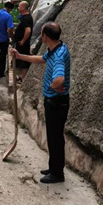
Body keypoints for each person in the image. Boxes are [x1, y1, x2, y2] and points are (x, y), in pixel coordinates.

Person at [11, 22, 70, 184]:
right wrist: (20, 56)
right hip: (55, 101)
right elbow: (40, 59)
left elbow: (59, 79)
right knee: (53, 137)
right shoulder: (56, 49)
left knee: (55, 138)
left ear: (44, 36)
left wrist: (52, 86)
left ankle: (57, 174)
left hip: (57, 102)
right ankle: (54, 168)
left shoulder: (57, 55)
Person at [13, 1, 34, 81]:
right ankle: (20, 76)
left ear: (23, 7)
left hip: (23, 44)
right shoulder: (23, 17)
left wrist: (23, 40)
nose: (18, 8)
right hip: (20, 42)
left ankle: (23, 77)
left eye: (19, 6)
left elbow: (28, 30)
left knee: (23, 59)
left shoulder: (26, 18)